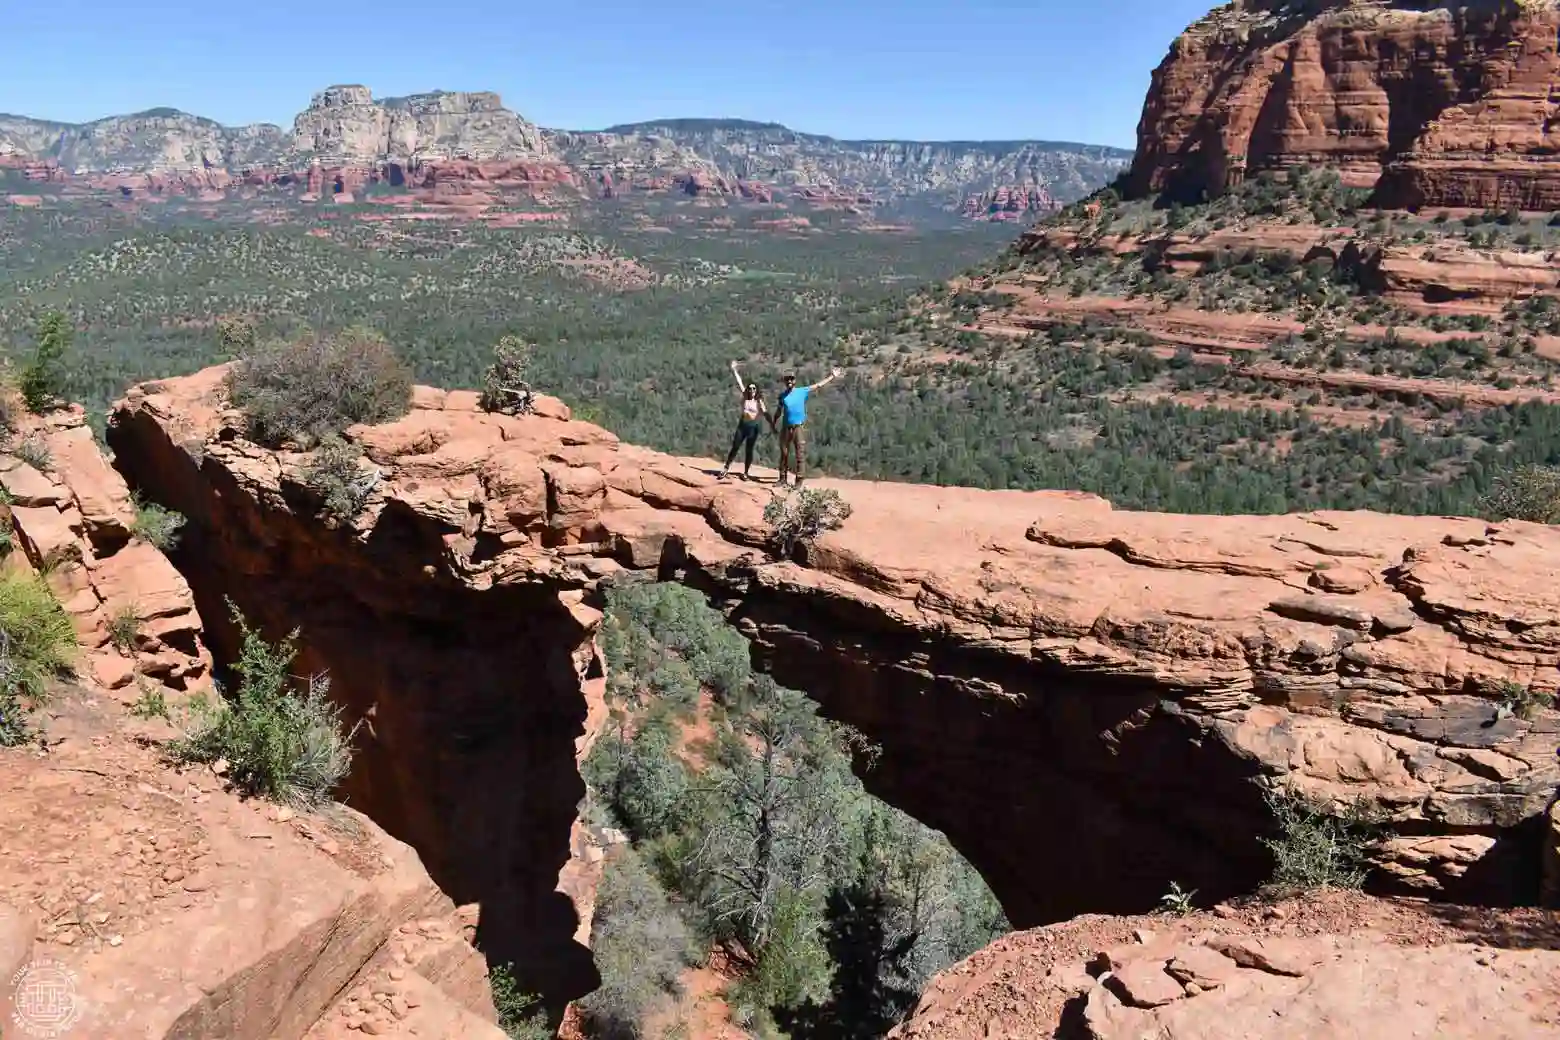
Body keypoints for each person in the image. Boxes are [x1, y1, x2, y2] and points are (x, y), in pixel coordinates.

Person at [772, 366, 842, 488]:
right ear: (784, 381)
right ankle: (782, 478)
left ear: (794, 381)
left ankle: (799, 481)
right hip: (786, 428)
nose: (789, 381)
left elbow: (817, 386)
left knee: (800, 454)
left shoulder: (802, 391)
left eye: (791, 379)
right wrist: (774, 421)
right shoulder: (782, 396)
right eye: (787, 379)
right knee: (784, 454)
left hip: (798, 427)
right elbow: (779, 411)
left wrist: (832, 376)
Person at [719, 360, 766, 480]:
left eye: (754, 389)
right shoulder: (745, 397)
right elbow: (739, 382)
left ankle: (745, 472)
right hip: (742, 426)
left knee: (749, 450)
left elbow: (765, 413)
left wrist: (772, 424)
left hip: (753, 428)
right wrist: (734, 370)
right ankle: (726, 467)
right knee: (735, 446)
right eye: (750, 388)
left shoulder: (759, 401)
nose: (751, 390)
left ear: (756, 390)